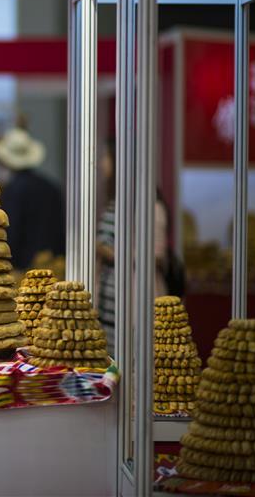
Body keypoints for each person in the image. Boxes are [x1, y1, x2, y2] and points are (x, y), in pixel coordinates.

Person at [96, 143, 185, 354]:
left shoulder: (151, 206)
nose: (101, 164)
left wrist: (107, 251)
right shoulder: (115, 202)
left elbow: (155, 256)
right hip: (109, 303)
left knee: (133, 362)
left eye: (105, 158)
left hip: (134, 300)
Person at [0, 119, 65, 270]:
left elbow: (11, 234)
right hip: (53, 266)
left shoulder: (14, 190)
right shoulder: (51, 187)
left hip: (23, 269)